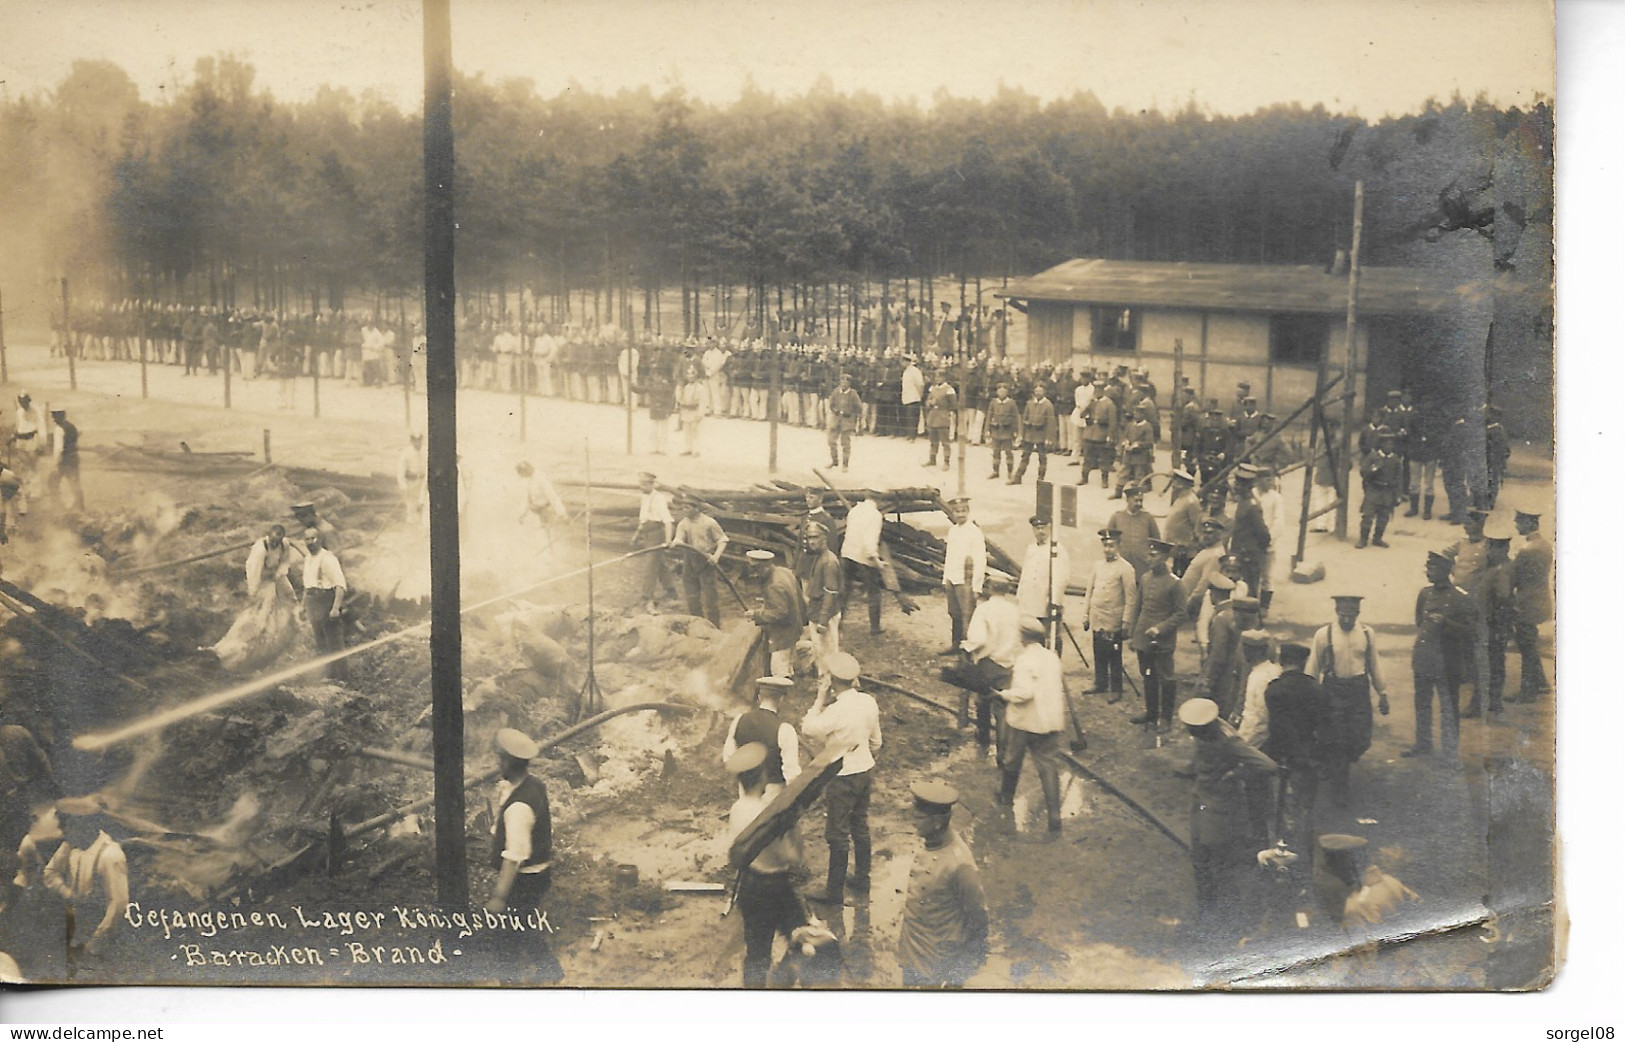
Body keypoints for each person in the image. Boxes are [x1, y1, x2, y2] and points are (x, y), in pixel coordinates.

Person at [1179, 698, 1278, 935]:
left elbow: (1268, 766)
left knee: (1220, 866)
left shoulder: (1229, 742)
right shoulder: (1207, 734)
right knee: (1201, 860)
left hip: (1221, 811)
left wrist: (1237, 773)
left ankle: (1223, 922)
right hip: (1201, 804)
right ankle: (1207, 913)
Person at [725, 742, 809, 988]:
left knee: (757, 952)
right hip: (776, 888)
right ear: (763, 776)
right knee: (805, 942)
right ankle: (780, 984)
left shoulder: (737, 808)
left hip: (749, 887)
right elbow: (792, 858)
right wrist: (794, 829)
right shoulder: (768, 817)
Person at [483, 728, 562, 983]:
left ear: (507, 763)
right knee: (524, 926)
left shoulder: (519, 807)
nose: (497, 765)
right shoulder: (531, 783)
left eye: (499, 760)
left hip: (525, 879)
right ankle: (550, 971)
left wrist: (498, 897)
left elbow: (514, 856)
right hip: (538, 873)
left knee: (507, 937)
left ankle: (512, 986)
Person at [802, 653, 882, 905]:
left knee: (837, 833)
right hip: (865, 769)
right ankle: (862, 878)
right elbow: (877, 741)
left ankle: (833, 892)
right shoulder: (869, 701)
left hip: (842, 775)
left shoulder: (835, 710)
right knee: (860, 824)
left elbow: (808, 728)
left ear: (832, 681)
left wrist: (819, 699)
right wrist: (866, 759)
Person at [897, 781, 990, 989]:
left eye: (919, 817)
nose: (913, 821)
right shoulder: (932, 842)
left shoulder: (959, 864)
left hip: (938, 957)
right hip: (914, 946)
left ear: (938, 822)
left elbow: (978, 915)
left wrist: (964, 966)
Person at [1309, 595, 1390, 807]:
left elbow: (1374, 663)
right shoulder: (1323, 634)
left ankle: (1333, 763)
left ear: (1358, 614)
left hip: (1358, 690)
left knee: (1360, 739)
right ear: (1336, 612)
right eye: (1343, 614)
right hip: (1333, 690)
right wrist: (1310, 694)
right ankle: (1340, 789)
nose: (1346, 619)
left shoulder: (1366, 633)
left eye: (1351, 615)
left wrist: (1383, 693)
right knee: (1338, 742)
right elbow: (1313, 666)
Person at [40, 798, 129, 974]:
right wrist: (69, 894)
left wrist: (95, 944)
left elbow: (118, 906)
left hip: (103, 937)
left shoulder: (110, 855)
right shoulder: (72, 843)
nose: (63, 834)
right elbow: (50, 873)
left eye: (67, 829)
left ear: (85, 826)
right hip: (78, 930)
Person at [1261, 644, 1330, 867]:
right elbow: (1322, 728)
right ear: (1303, 664)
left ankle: (1282, 860)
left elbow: (1276, 729)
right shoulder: (1316, 689)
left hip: (1282, 760)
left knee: (1281, 812)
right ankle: (1304, 859)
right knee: (1305, 810)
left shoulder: (1274, 690)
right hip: (1307, 759)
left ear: (1282, 662)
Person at [998, 616, 1066, 832]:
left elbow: (1024, 694)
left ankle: (1006, 799)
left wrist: (1003, 695)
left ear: (1024, 637)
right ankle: (1055, 815)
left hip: (1026, 722)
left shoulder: (1024, 660)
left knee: (1012, 761)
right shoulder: (1052, 657)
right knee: (1048, 767)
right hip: (1050, 721)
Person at [1406, 551, 1476, 760]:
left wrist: (1446, 624)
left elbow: (1470, 631)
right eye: (1427, 568)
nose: (1428, 572)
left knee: (1448, 708)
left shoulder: (1459, 597)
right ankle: (1423, 744)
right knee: (1422, 703)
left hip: (1447, 661)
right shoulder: (1424, 594)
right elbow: (1420, 622)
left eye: (1433, 569)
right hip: (1425, 658)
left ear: (1446, 571)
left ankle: (1450, 752)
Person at [945, 577, 1020, 758]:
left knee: (983, 700)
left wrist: (965, 647)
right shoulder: (1015, 610)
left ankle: (984, 737)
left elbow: (978, 640)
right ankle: (1003, 753)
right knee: (1002, 708)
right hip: (1009, 663)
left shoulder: (984, 609)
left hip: (989, 663)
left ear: (991, 588)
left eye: (986, 586)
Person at [1128, 540, 1184, 731]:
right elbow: (1138, 607)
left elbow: (1180, 614)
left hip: (1163, 641)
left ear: (1165, 558)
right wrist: (1132, 635)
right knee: (1148, 675)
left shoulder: (1175, 584)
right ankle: (1151, 713)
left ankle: (1166, 718)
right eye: (1149, 555)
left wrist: (1160, 629)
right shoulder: (1145, 578)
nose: (1148, 558)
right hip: (1143, 639)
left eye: (1154, 556)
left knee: (1166, 678)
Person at [1468, 524, 1518, 717]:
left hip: (1492, 625)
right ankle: (1493, 702)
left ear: (1503, 548)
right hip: (1489, 623)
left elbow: (1503, 597)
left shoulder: (1502, 570)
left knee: (1487, 663)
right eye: (1488, 546)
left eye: (1493, 547)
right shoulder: (1495, 566)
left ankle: (1481, 704)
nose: (1488, 550)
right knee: (1494, 662)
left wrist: (1492, 622)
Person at [1082, 528, 1138, 701]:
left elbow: (1131, 598)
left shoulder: (1126, 568)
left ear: (1118, 545)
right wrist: (1086, 614)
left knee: (1114, 654)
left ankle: (1116, 688)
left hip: (1114, 618)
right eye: (1105, 545)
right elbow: (1089, 591)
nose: (1108, 549)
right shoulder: (1098, 565)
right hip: (1098, 616)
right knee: (1098, 650)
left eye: (1111, 545)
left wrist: (1126, 621)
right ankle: (1100, 683)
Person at [724, 678, 802, 791]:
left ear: (760, 697)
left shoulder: (739, 720)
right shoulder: (785, 729)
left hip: (746, 793)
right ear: (782, 699)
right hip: (773, 794)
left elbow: (728, 758)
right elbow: (791, 773)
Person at [1508, 509, 1552, 702]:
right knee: (1530, 644)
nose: (1516, 525)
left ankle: (1527, 692)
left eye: (1519, 522)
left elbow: (1516, 577)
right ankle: (1541, 683)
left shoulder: (1528, 550)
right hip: (1539, 600)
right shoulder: (1544, 545)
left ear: (1529, 524)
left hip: (1526, 603)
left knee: (1526, 647)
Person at [798, 523, 846, 695]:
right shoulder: (819, 557)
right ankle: (824, 683)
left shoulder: (828, 562)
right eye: (809, 537)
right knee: (820, 650)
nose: (811, 541)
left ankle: (831, 688)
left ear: (824, 538)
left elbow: (831, 592)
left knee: (829, 652)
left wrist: (823, 620)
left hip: (824, 614)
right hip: (817, 611)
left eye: (815, 537)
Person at [670, 495, 728, 628]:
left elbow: (723, 540)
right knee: (692, 599)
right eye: (683, 507)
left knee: (710, 600)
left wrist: (716, 556)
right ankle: (698, 627)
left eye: (688, 507)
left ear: (697, 508)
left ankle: (714, 628)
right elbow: (679, 537)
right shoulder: (684, 523)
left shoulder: (709, 522)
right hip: (690, 561)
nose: (685, 510)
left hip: (706, 561)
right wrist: (676, 541)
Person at [747, 548, 806, 679]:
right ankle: (790, 683)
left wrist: (756, 615)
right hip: (794, 625)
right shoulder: (784, 572)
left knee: (779, 668)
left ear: (766, 566)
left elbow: (780, 613)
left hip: (782, 633)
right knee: (787, 662)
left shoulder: (774, 585)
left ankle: (781, 694)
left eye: (757, 570)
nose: (755, 574)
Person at [300, 527, 348, 682]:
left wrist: (335, 608)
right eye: (307, 539)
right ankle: (330, 675)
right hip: (313, 603)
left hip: (327, 600)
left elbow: (340, 585)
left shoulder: (328, 558)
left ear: (319, 539)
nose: (310, 542)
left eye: (313, 538)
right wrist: (303, 606)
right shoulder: (307, 559)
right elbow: (307, 586)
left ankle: (342, 678)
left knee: (334, 642)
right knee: (320, 642)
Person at [1015, 514, 1069, 646]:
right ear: (1033, 530)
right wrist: (1020, 596)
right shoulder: (1031, 548)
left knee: (1051, 636)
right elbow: (1026, 574)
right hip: (1030, 601)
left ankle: (1053, 662)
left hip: (1046, 601)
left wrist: (1055, 601)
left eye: (1044, 528)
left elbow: (1063, 577)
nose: (1041, 532)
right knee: (1032, 635)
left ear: (1049, 528)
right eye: (1037, 528)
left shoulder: (1057, 549)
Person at [941, 497, 986, 652]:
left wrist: (976, 587)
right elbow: (949, 556)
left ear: (968, 511)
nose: (960, 514)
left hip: (966, 581)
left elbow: (980, 559)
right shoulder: (953, 530)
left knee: (968, 615)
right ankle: (956, 645)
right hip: (952, 578)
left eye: (963, 511)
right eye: (957, 511)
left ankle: (968, 649)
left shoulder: (974, 531)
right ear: (952, 513)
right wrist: (945, 578)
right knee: (954, 613)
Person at [840, 490, 887, 636]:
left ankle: (837, 622)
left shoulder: (855, 510)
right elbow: (869, 542)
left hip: (847, 553)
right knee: (873, 592)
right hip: (863, 556)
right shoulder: (875, 515)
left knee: (845, 590)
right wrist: (876, 561)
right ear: (880, 499)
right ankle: (875, 627)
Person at [634, 472, 677, 613]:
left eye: (645, 483)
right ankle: (672, 592)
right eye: (641, 483)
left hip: (656, 534)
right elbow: (643, 518)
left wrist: (668, 540)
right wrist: (637, 534)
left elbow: (668, 521)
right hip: (647, 533)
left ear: (652, 484)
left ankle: (646, 597)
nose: (642, 486)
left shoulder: (659, 498)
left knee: (650, 566)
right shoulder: (644, 497)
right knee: (660, 564)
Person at [1357, 431, 1403, 549]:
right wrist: (1374, 469)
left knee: (1384, 517)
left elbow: (1399, 478)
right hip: (1374, 489)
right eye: (1386, 444)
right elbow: (1363, 472)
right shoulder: (1373, 457)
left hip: (1388, 491)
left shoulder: (1395, 459)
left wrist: (1398, 495)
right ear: (1381, 445)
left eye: (1391, 444)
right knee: (1368, 515)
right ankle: (1363, 539)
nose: (1389, 446)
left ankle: (1378, 538)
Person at [1107, 484, 1160, 577]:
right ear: (1127, 500)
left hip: (1142, 568)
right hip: (1121, 567)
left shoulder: (1148, 518)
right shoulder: (1117, 517)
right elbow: (1108, 542)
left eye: (1141, 500)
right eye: (1136, 500)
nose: (1139, 504)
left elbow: (1157, 542)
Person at [1010, 382, 1057, 485]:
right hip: (1029, 434)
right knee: (1025, 456)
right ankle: (1018, 477)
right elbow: (1024, 419)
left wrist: (1049, 438)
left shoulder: (1048, 405)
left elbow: (1051, 423)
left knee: (1042, 458)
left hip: (1041, 434)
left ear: (1044, 392)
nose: (1038, 393)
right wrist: (1022, 433)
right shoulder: (1030, 403)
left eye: (1040, 391)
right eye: (1036, 391)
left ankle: (1040, 478)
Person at [1163, 470, 1203, 577]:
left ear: (1183, 484)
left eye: (1176, 481)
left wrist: (1191, 545)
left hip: (1185, 550)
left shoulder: (1191, 501)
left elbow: (1197, 525)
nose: (1173, 484)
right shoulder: (1180, 497)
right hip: (1177, 548)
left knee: (1184, 575)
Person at [515, 461, 568, 538]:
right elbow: (526, 498)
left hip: (546, 511)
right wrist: (522, 514)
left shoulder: (541, 479)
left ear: (526, 471)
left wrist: (562, 514)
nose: (522, 476)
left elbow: (553, 497)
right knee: (536, 535)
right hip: (536, 511)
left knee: (548, 534)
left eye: (522, 473)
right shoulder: (527, 480)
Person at [47, 410, 83, 511]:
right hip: (74, 459)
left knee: (52, 482)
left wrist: (54, 465)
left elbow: (58, 449)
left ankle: (58, 507)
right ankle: (80, 508)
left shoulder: (59, 429)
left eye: (54, 416)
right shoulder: (72, 426)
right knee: (75, 484)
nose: (53, 419)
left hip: (64, 461)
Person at [826, 373, 862, 471]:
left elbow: (859, 408)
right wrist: (835, 410)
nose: (844, 384)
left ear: (850, 384)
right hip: (835, 420)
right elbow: (831, 404)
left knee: (845, 443)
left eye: (846, 382)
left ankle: (845, 464)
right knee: (831, 441)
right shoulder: (836, 391)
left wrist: (850, 413)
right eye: (842, 382)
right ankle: (834, 461)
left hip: (847, 421)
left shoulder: (853, 394)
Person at [923, 372, 958, 471]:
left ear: (944, 378)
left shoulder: (949, 390)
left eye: (940, 377)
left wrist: (940, 404)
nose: (937, 379)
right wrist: (929, 403)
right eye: (936, 377)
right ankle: (932, 459)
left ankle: (946, 461)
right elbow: (927, 400)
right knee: (933, 440)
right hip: (933, 416)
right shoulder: (932, 388)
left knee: (945, 441)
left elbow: (954, 405)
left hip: (942, 417)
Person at [985, 382, 1020, 480]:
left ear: (1007, 393)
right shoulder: (993, 402)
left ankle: (1010, 472)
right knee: (996, 452)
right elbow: (989, 416)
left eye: (1004, 391)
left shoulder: (1011, 403)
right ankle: (996, 471)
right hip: (996, 431)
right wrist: (987, 429)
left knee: (1008, 452)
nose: (1001, 393)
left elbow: (1015, 418)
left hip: (1007, 431)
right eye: (999, 391)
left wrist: (1016, 431)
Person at [396, 432, 427, 525]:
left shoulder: (426, 450)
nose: (417, 442)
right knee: (411, 508)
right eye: (414, 440)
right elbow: (400, 472)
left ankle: (423, 530)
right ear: (411, 440)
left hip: (424, 482)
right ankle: (412, 531)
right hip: (412, 483)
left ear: (422, 440)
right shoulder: (406, 453)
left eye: (419, 440)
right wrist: (403, 486)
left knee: (424, 506)